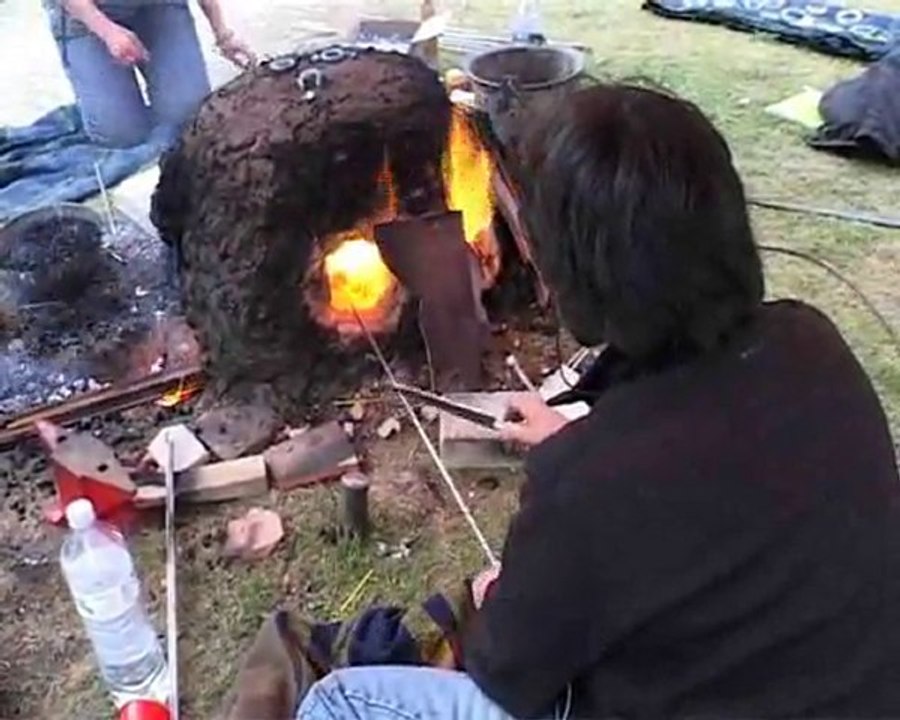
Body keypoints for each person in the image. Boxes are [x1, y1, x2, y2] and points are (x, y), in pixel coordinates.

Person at [294, 85, 900, 719]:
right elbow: (708, 493)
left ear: (573, 272)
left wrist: (510, 585)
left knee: (340, 699)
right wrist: (574, 444)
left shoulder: (586, 487)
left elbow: (508, 675)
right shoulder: (811, 339)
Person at [43, 0, 255, 147]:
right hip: (83, 16)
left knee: (188, 117)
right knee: (121, 136)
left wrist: (223, 35)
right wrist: (108, 32)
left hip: (157, 5)